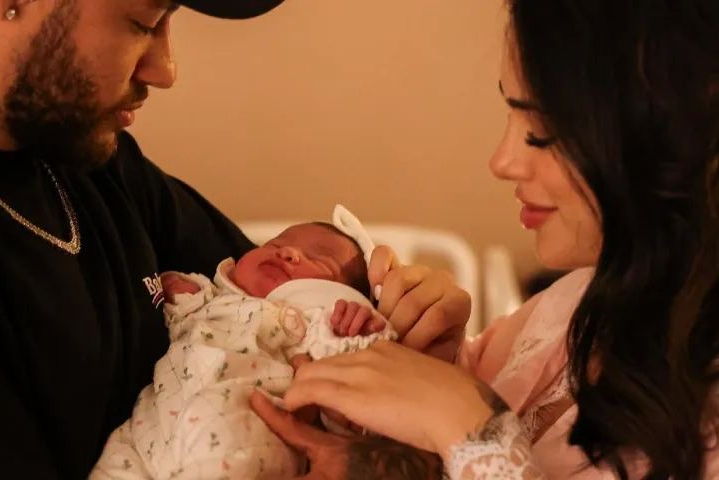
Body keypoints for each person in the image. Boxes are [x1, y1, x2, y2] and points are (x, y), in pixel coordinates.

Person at [0, 0, 473, 478]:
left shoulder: (95, 165)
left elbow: (279, 310)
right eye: (143, 22)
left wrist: (413, 331)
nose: (165, 70)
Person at [251, 1, 719, 479]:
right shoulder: (579, 302)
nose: (502, 161)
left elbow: (468, 422)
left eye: (540, 131)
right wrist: (441, 356)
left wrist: (469, 428)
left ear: (666, 127)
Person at [91, 221, 397, 479]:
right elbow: (170, 313)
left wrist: (359, 330)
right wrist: (175, 289)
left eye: (320, 260)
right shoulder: (207, 298)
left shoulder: (316, 322)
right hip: (153, 424)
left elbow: (355, 397)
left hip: (247, 418)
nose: (288, 252)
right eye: (276, 243)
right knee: (114, 465)